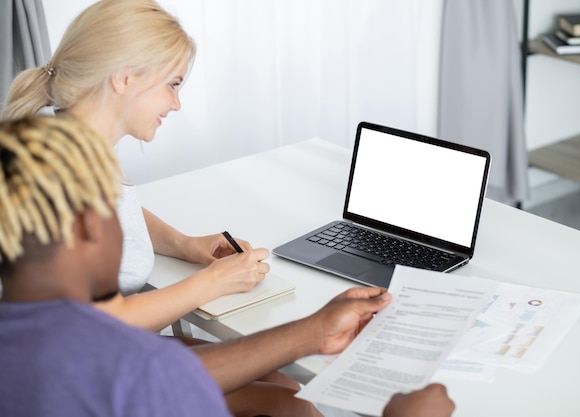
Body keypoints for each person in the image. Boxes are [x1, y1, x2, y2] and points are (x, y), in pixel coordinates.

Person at [0, 115, 456, 416]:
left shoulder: (34, 333)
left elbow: (165, 373)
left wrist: (314, 331)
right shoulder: (110, 367)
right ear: (86, 227)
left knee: (283, 396)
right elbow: (145, 374)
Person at [1, 1, 309, 415]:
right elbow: (94, 325)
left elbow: (119, 205)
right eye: (174, 84)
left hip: (95, 354)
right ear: (126, 77)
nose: (177, 104)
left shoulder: (63, 137)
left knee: (279, 375)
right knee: (290, 404)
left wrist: (183, 244)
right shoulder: (58, 171)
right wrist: (213, 282)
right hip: (79, 373)